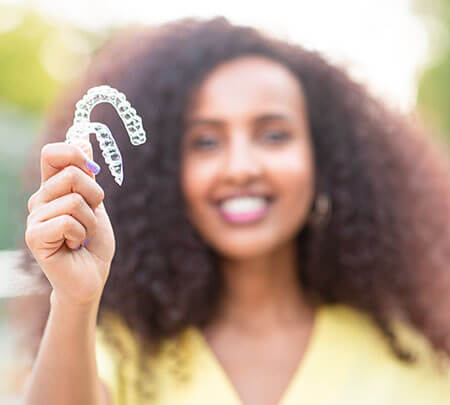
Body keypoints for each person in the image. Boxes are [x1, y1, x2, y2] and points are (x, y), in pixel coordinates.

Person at [17, 16, 450, 405]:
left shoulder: (418, 351)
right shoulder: (123, 353)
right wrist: (74, 299)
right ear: (168, 176)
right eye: (205, 141)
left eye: (274, 135)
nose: (241, 168)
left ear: (327, 161)